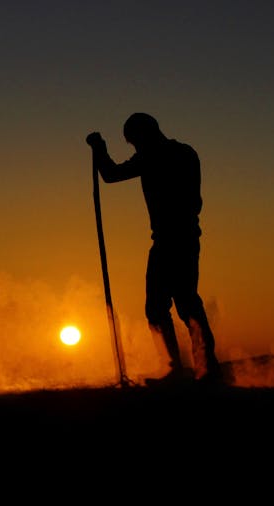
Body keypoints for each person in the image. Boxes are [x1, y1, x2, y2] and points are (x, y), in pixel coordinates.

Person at [86, 113, 223, 385]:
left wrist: (99, 148)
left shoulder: (155, 155)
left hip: (173, 238)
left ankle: (193, 369)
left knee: (173, 305)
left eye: (135, 142)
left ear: (144, 135)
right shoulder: (184, 152)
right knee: (174, 304)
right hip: (180, 236)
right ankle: (194, 368)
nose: (135, 148)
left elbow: (111, 175)